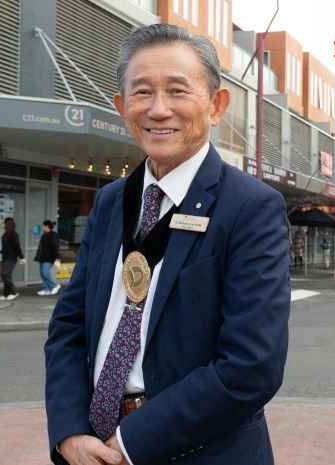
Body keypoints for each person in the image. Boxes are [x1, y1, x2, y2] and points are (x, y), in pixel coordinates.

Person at [44, 24, 289, 465]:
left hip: (201, 450)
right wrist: (70, 431)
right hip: (93, 445)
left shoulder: (251, 207)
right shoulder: (110, 201)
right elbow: (69, 327)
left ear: (216, 105)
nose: (159, 110)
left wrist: (133, 442)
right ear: (122, 107)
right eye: (142, 92)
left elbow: (251, 366)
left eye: (177, 90)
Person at [0, 217, 24, 301]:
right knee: (5, 275)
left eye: (4, 223)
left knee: (5, 274)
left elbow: (17, 246)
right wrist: (1, 252)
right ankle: (5, 294)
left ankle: (13, 292)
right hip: (5, 257)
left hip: (11, 258)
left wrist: (22, 257)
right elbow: (7, 246)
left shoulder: (14, 234)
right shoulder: (6, 234)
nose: (3, 224)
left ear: (7, 224)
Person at [36, 220, 62, 296]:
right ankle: (46, 289)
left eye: (43, 226)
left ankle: (54, 285)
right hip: (42, 257)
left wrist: (57, 257)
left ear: (46, 226)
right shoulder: (44, 234)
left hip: (49, 258)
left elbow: (55, 247)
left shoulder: (53, 235)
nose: (42, 227)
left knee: (45, 272)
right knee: (42, 274)